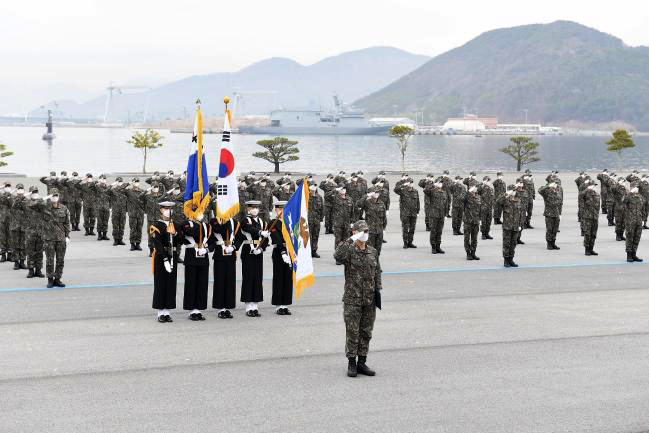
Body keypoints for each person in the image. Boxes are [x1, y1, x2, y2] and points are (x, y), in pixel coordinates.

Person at [334, 220, 382, 378]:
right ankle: (352, 363)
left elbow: (377, 271)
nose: (365, 235)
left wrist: (378, 289)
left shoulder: (372, 251)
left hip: (369, 299)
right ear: (354, 232)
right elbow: (337, 256)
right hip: (352, 299)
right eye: (362, 232)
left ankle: (362, 361)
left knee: (366, 332)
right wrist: (351, 239)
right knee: (353, 332)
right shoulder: (349, 251)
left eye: (366, 232)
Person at [150, 201, 183, 322]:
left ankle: (167, 312)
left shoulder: (175, 224)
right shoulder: (157, 225)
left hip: (172, 255)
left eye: (170, 208)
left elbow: (181, 240)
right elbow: (157, 243)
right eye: (166, 208)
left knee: (170, 283)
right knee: (160, 283)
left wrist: (175, 233)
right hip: (161, 256)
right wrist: (164, 259)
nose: (168, 210)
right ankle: (160, 312)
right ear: (161, 210)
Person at [238, 200, 270, 317]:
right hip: (248, 249)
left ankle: (255, 305)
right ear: (248, 209)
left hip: (258, 250)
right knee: (248, 276)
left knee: (257, 277)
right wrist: (261, 232)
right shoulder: (245, 220)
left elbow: (266, 239)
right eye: (252, 208)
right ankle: (248, 306)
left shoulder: (262, 221)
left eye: (256, 208)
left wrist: (261, 249)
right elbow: (248, 228)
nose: (255, 210)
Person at [34, 189, 71, 288]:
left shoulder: (64, 208)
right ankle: (50, 280)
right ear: (50, 197)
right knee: (50, 260)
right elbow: (33, 204)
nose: (54, 197)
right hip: (49, 239)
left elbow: (67, 223)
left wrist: (67, 236)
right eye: (52, 195)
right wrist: (45, 198)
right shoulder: (44, 207)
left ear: (58, 197)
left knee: (60, 260)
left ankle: (57, 279)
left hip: (61, 239)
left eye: (56, 195)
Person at [180, 210, 211, 321]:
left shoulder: (207, 225)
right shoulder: (186, 224)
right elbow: (191, 233)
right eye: (197, 212)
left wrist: (207, 249)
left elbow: (211, 241)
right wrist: (198, 223)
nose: (200, 214)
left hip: (203, 255)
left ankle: (199, 309)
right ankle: (191, 310)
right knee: (191, 283)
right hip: (191, 255)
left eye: (201, 212)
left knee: (202, 283)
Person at [208, 216, 239, 319]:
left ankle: (228, 308)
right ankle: (221, 308)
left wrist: (234, 247)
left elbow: (239, 237)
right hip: (219, 254)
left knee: (230, 282)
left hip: (231, 254)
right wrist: (224, 221)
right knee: (220, 281)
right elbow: (220, 230)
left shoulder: (234, 222)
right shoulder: (214, 221)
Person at [270, 201, 294, 315]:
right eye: (279, 210)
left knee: (288, 278)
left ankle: (285, 304)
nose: (281, 212)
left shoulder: (289, 223)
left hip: (290, 252)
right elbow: (276, 238)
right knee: (279, 278)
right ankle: (278, 305)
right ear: (276, 210)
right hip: (279, 252)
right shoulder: (274, 222)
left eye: (283, 210)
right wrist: (283, 252)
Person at [497, 185, 522, 267]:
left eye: (515, 191)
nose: (515, 192)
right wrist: (506, 194)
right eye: (513, 191)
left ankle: (511, 259)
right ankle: (506, 260)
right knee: (506, 244)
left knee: (513, 244)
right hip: (507, 226)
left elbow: (519, 214)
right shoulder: (505, 200)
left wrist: (520, 225)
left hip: (515, 226)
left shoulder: (517, 200)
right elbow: (498, 201)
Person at [357, 189, 386, 255]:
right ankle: (369, 263)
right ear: (372, 194)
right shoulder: (367, 202)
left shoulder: (381, 203)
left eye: (377, 193)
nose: (376, 194)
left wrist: (384, 228)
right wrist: (366, 196)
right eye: (375, 193)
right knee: (369, 249)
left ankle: (376, 262)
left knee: (378, 249)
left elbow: (384, 217)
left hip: (379, 230)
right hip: (370, 230)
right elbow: (358, 204)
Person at [24, 187, 45, 278]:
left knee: (39, 252)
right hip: (30, 231)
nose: (35, 193)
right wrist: (24, 196)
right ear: (30, 193)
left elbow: (43, 207)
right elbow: (16, 205)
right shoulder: (27, 202)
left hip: (40, 231)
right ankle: (31, 270)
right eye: (33, 192)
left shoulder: (41, 202)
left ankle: (38, 270)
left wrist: (40, 200)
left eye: (36, 191)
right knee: (30, 252)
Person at [394, 176, 420, 248]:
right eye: (409, 182)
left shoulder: (415, 191)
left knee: (412, 228)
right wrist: (403, 185)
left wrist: (418, 212)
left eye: (412, 182)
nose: (411, 184)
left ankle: (410, 242)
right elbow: (395, 190)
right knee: (405, 228)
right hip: (405, 213)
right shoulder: (403, 190)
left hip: (413, 213)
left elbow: (418, 202)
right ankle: (405, 243)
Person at [423, 180, 447, 254]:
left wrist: (446, 214)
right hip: (434, 215)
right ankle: (433, 247)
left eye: (441, 183)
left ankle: (438, 247)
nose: (440, 184)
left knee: (439, 231)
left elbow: (446, 204)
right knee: (433, 231)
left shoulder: (444, 192)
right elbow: (425, 190)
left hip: (441, 215)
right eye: (439, 183)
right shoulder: (432, 191)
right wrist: (433, 185)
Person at [330, 186, 354, 259]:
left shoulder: (349, 199)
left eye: (344, 189)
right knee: (338, 241)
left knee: (346, 241)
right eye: (342, 189)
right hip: (338, 224)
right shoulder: (335, 198)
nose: (343, 190)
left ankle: (345, 256)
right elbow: (326, 196)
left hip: (347, 224)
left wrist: (352, 222)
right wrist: (335, 190)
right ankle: (338, 257)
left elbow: (352, 212)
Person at [623, 182, 644, 262]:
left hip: (638, 220)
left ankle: (634, 254)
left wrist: (643, 219)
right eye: (635, 187)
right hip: (630, 221)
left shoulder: (640, 196)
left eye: (637, 187)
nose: (637, 188)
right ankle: (629, 255)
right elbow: (623, 201)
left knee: (637, 237)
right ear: (631, 187)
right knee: (630, 237)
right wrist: (630, 193)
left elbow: (642, 208)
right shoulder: (628, 196)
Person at [538, 181, 563, 250]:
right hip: (549, 214)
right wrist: (548, 186)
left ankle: (553, 243)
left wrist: (560, 213)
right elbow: (539, 190)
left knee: (555, 230)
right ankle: (549, 244)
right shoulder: (546, 193)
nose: (554, 186)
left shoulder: (557, 192)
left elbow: (560, 201)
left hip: (556, 213)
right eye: (553, 185)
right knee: (549, 229)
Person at [10, 183, 28, 270]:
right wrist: (18, 198)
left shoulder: (26, 199)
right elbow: (12, 207)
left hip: (24, 225)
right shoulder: (12, 198)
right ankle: (16, 262)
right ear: (16, 190)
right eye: (18, 189)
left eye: (21, 189)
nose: (20, 190)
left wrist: (23, 198)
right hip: (15, 225)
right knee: (15, 244)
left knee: (23, 244)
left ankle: (22, 261)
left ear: (23, 190)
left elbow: (27, 209)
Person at [124, 178, 146, 251]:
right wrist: (128, 183)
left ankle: (138, 244)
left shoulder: (142, 191)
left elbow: (145, 202)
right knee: (133, 230)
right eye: (135, 182)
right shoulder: (129, 191)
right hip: (132, 214)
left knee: (139, 229)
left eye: (137, 182)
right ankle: (132, 244)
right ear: (133, 183)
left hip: (140, 214)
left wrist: (145, 212)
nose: (136, 183)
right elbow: (120, 189)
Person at [580, 181, 600, 256]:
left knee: (593, 234)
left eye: (594, 186)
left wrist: (597, 215)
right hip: (587, 217)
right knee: (587, 234)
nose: (594, 187)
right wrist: (587, 189)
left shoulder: (597, 195)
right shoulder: (585, 194)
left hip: (595, 217)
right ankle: (587, 249)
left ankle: (591, 248)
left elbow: (598, 207)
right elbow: (580, 195)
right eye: (592, 186)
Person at [462, 185, 482, 260]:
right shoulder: (467, 196)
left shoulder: (478, 197)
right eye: (474, 187)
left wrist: (480, 220)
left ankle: (473, 253)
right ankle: (468, 253)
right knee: (467, 238)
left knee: (474, 238)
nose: (475, 189)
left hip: (476, 221)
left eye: (476, 188)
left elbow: (480, 209)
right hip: (468, 221)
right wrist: (469, 191)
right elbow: (462, 199)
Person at [108, 177, 128, 246]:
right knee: (115, 226)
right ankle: (115, 240)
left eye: (121, 182)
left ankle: (120, 239)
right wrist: (112, 185)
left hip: (123, 211)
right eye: (118, 182)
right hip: (115, 211)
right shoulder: (112, 190)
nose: (120, 183)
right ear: (116, 182)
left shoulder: (125, 191)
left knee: (122, 226)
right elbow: (106, 191)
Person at [307, 181, 324, 258]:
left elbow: (322, 209)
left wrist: (321, 220)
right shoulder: (306, 196)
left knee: (316, 235)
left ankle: (314, 251)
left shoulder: (319, 197)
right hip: (308, 220)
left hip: (316, 220)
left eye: (315, 186)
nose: (314, 187)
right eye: (312, 186)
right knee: (308, 236)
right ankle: (308, 251)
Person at [93, 174, 112, 241]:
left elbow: (110, 197)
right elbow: (95, 186)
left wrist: (110, 206)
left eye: (104, 179)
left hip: (106, 207)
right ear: (100, 179)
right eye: (102, 179)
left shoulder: (107, 187)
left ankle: (104, 235)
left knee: (105, 221)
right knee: (99, 221)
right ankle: (99, 235)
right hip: (99, 207)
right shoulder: (97, 186)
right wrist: (97, 181)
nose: (104, 180)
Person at [0, 182, 13, 263]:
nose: (7, 188)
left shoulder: (12, 196)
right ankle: (3, 254)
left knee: (10, 237)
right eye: (6, 186)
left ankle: (10, 254)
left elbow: (12, 204)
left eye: (8, 186)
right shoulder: (1, 196)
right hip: (2, 219)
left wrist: (9, 197)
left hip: (11, 219)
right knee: (2, 237)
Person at [613, 177, 627, 241]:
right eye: (622, 181)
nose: (623, 182)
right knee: (618, 222)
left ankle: (621, 235)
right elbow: (612, 188)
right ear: (618, 181)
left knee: (623, 222)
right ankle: (617, 235)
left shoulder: (624, 189)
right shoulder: (616, 187)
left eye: (623, 181)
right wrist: (618, 184)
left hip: (624, 208)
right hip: (618, 208)